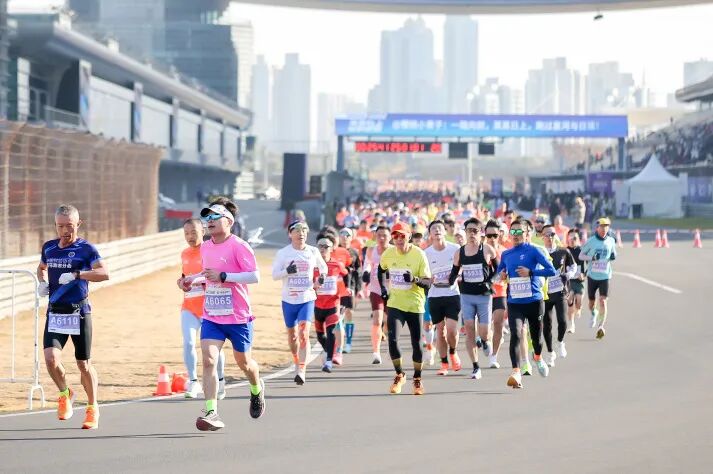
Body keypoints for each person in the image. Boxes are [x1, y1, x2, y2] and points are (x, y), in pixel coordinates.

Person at [184, 202, 265, 430]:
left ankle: (256, 388)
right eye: (207, 218)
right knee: (209, 360)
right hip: (212, 315)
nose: (209, 221)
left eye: (215, 217)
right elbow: (208, 274)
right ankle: (211, 412)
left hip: (238, 316)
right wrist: (192, 280)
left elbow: (254, 276)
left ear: (228, 221)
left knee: (245, 363)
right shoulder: (205, 247)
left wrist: (224, 276)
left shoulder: (239, 246)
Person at [37, 204, 109, 429]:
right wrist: (41, 282)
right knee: (50, 359)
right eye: (60, 226)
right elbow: (41, 267)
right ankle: (65, 393)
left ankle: (92, 407)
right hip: (55, 312)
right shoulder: (49, 247)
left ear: (79, 224)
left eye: (69, 226)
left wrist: (78, 274)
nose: (65, 231)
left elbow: (104, 273)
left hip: (79, 312)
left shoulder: (86, 249)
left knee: (83, 364)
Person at [496, 218, 557, 389]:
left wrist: (531, 272)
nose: (515, 235)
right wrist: (501, 275)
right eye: (513, 231)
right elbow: (499, 272)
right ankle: (516, 371)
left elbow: (551, 270)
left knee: (536, 337)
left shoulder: (534, 251)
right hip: (515, 302)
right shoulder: (506, 254)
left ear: (526, 233)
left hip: (534, 301)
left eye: (519, 231)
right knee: (515, 334)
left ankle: (537, 357)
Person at [378, 222, 432, 395]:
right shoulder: (388, 254)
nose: (399, 239)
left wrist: (415, 280)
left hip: (415, 304)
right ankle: (399, 374)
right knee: (392, 339)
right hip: (395, 303)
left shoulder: (419, 254)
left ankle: (417, 379)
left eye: (402, 235)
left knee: (417, 343)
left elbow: (428, 282)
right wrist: (383, 289)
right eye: (395, 236)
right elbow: (380, 270)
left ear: (409, 236)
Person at [272, 220, 327, 385]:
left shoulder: (313, 251)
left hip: (306, 298)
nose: (301, 233)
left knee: (303, 333)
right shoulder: (283, 253)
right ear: (290, 234)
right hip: (288, 300)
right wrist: (287, 271)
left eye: (304, 230)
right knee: (293, 336)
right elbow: (275, 275)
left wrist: (321, 278)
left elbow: (323, 268)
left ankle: (301, 370)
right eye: (297, 230)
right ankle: (296, 360)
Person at [177, 218, 226, 399]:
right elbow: (185, 276)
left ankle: (220, 380)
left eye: (194, 232)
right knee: (189, 342)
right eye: (186, 233)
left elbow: (212, 276)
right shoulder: (184, 253)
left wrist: (197, 281)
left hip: (209, 308)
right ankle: (193, 381)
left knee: (213, 348)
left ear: (203, 232)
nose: (190, 236)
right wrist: (182, 283)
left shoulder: (210, 250)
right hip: (189, 307)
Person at [449, 218, 498, 379]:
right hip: (466, 295)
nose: (471, 234)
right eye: (469, 230)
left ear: (480, 232)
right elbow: (453, 273)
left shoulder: (487, 249)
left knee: (484, 332)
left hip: (484, 296)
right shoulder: (460, 252)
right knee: (469, 329)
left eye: (475, 231)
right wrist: (449, 281)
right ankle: (476, 367)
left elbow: (498, 270)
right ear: (465, 232)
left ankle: (485, 341)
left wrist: (490, 281)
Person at [424, 220, 461, 376]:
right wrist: (428, 280)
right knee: (440, 331)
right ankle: (444, 363)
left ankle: (453, 352)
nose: (437, 231)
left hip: (452, 294)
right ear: (430, 234)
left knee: (452, 330)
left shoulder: (455, 249)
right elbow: (423, 276)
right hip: (435, 296)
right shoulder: (426, 253)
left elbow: (462, 268)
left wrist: (456, 275)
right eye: (434, 229)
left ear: (445, 231)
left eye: (440, 228)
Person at [541, 225, 577, 367]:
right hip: (545, 294)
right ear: (542, 237)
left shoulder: (563, 251)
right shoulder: (540, 253)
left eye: (552, 234)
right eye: (547, 235)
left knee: (562, 321)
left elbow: (573, 266)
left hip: (560, 292)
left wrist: (568, 274)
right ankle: (550, 353)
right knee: (547, 325)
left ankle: (560, 342)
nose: (550, 237)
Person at [313, 234, 348, 373]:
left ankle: (328, 362)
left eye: (326, 246)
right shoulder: (313, 265)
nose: (323, 249)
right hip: (317, 305)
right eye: (320, 246)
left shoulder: (337, 265)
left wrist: (347, 290)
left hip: (333, 305)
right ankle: (329, 352)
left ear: (332, 248)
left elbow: (346, 275)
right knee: (320, 335)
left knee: (330, 332)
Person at [580, 217, 617, 339]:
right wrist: (591, 258)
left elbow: (613, 254)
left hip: (605, 276)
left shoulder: (611, 240)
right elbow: (581, 256)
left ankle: (601, 326)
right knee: (591, 303)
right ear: (597, 228)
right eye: (602, 226)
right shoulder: (591, 241)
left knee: (603, 301)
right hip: (592, 276)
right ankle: (593, 313)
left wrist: (613, 256)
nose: (604, 229)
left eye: (606, 226)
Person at [362, 225, 391, 364]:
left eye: (385, 235)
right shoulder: (371, 250)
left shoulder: (394, 251)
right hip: (376, 289)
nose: (382, 238)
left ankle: (390, 345)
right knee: (377, 320)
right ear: (375, 236)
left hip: (392, 290)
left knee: (389, 322)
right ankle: (376, 352)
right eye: (379, 235)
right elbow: (367, 264)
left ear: (390, 237)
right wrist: (366, 272)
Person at [484, 220, 507, 369]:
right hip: (483, 293)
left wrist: (504, 276)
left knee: (498, 323)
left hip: (500, 292)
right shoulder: (480, 251)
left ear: (500, 235)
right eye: (489, 235)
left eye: (495, 235)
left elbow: (509, 272)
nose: (492, 238)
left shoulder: (505, 252)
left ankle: (494, 357)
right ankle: (485, 340)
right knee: (484, 328)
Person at [337, 228, 360, 354]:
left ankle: (348, 343)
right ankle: (338, 343)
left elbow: (358, 272)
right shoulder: (334, 251)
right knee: (338, 315)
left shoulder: (354, 253)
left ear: (351, 238)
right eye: (342, 234)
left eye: (347, 235)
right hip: (336, 287)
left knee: (349, 313)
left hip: (350, 287)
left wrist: (358, 289)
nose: (344, 237)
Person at [565, 229, 586, 333]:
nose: (572, 240)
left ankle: (579, 308)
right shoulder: (565, 251)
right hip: (569, 282)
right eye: (571, 237)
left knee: (579, 301)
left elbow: (589, 266)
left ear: (578, 239)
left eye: (575, 238)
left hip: (579, 281)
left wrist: (584, 275)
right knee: (570, 299)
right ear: (567, 239)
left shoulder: (582, 251)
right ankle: (571, 324)